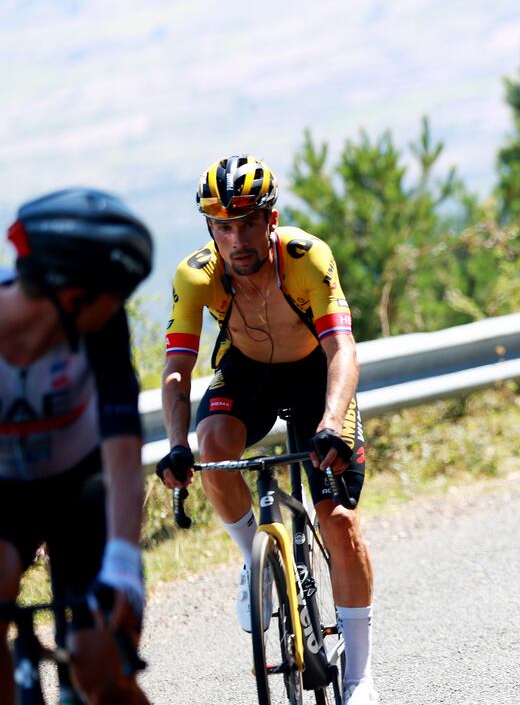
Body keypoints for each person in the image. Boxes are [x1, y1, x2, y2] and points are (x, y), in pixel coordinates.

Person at [155, 156, 378, 704]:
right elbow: (178, 370)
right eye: (223, 227)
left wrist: (330, 423)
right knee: (211, 446)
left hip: (313, 375)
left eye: (248, 222)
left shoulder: (306, 257)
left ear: (270, 219)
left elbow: (341, 348)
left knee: (340, 522)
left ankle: (360, 675)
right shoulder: (196, 275)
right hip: (247, 372)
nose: (237, 239)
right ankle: (250, 554)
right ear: (211, 229)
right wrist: (177, 444)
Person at [0, 188, 153, 704]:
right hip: (6, 492)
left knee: (99, 673)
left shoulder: (101, 326)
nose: (121, 308)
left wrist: (123, 565)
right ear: (73, 296)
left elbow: (123, 447)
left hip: (84, 488)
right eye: (119, 294)